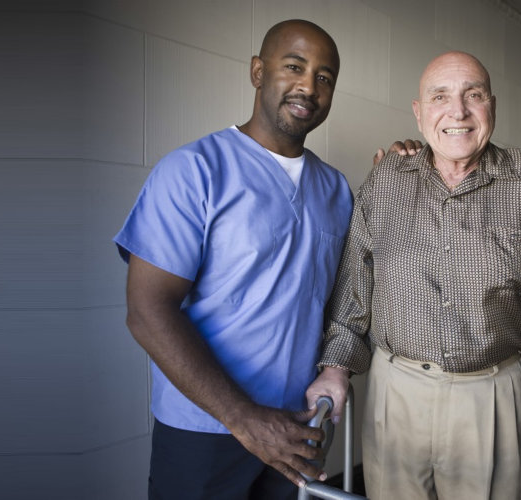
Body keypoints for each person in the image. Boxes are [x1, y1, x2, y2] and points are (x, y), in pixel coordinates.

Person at [305, 51, 521, 500]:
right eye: (440, 97)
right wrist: (335, 367)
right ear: (419, 114)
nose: (457, 111)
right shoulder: (385, 181)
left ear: (492, 107)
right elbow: (353, 293)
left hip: (490, 394)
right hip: (394, 391)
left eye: (472, 95)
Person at [115, 19, 352, 500]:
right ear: (257, 72)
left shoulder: (337, 190)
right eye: (294, 66)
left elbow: (346, 299)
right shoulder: (193, 171)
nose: (309, 85)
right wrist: (245, 419)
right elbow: (147, 312)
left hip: (300, 427)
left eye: (324, 77)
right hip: (205, 431)